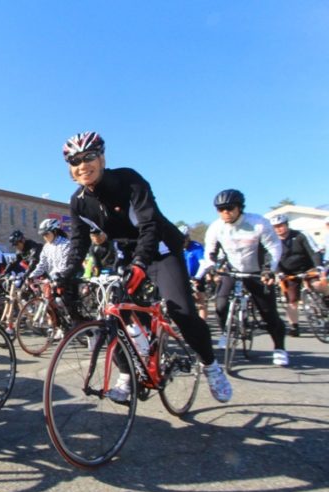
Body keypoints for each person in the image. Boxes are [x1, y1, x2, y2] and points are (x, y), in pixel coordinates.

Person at [61, 131, 231, 403]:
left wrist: (141, 261)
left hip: (160, 249)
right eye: (75, 160)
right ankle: (128, 374)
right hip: (127, 253)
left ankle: (211, 366)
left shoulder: (128, 179)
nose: (83, 165)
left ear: (102, 158)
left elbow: (149, 224)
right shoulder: (78, 201)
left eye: (89, 157)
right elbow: (79, 241)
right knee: (113, 316)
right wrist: (66, 273)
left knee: (182, 311)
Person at [196, 189, 288, 366]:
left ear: (239, 207)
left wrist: (269, 270)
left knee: (269, 314)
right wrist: (212, 268)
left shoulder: (258, 223)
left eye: (229, 208)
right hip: (232, 270)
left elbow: (274, 248)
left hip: (257, 272)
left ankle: (279, 348)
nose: (225, 212)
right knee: (221, 304)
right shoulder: (216, 227)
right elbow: (210, 253)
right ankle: (226, 332)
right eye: (220, 209)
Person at [270, 214, 324, 337]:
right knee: (292, 300)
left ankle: (326, 299)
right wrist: (279, 272)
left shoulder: (300, 235)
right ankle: (294, 326)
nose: (278, 229)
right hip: (289, 273)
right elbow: (273, 258)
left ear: (287, 225)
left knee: (318, 284)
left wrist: (318, 266)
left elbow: (314, 251)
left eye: (281, 226)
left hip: (307, 268)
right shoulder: (273, 241)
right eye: (275, 227)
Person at [179, 225, 208, 321]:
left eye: (184, 239)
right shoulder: (176, 247)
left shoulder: (196, 247)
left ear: (188, 237)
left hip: (196, 276)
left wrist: (198, 277)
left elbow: (203, 264)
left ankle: (202, 326)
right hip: (183, 277)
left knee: (200, 303)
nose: (182, 242)